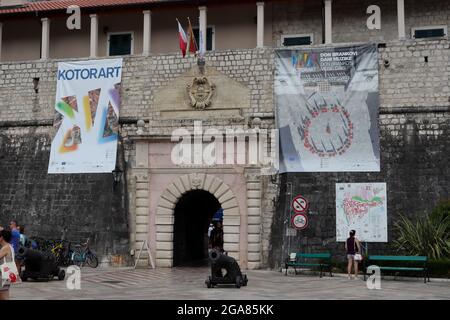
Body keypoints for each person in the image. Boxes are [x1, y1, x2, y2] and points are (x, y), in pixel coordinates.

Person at [0, 229, 14, 300]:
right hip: (7, 274)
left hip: (3, 276)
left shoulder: (5, 248)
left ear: (2, 238)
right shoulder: (10, 246)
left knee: (3, 297)